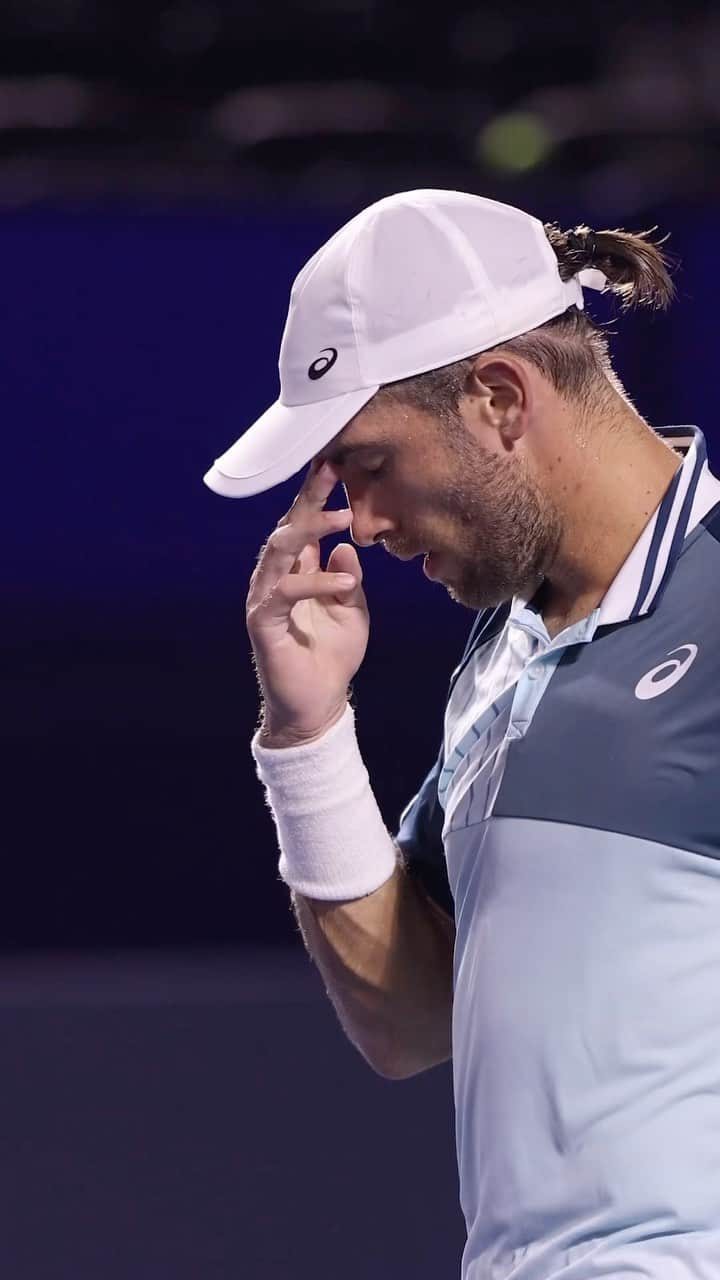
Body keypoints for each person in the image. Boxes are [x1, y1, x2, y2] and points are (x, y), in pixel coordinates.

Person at [203, 190, 720, 1279]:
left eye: (373, 462)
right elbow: (407, 1017)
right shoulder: (498, 660)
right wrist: (308, 733)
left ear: (498, 395)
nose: (368, 525)